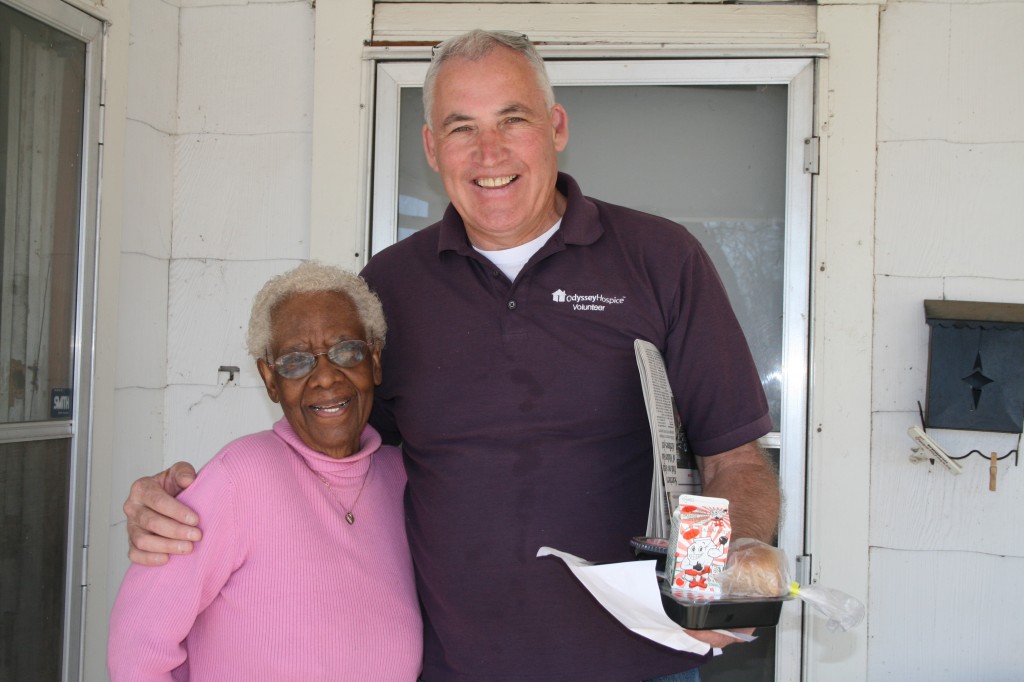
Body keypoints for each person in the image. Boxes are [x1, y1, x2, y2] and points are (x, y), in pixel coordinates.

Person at [123, 30, 780, 682]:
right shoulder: (390, 287)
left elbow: (734, 460)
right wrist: (191, 506)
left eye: (512, 119)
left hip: (641, 667)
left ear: (555, 127)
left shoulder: (660, 259)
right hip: (455, 668)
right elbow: (337, 457)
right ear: (432, 148)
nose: (488, 151)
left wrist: (716, 574)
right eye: (461, 127)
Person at [108, 262, 422, 681]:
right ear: (270, 379)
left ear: (375, 362)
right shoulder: (238, 479)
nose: (326, 378)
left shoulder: (403, 480)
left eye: (347, 351)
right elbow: (137, 648)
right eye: (295, 362)